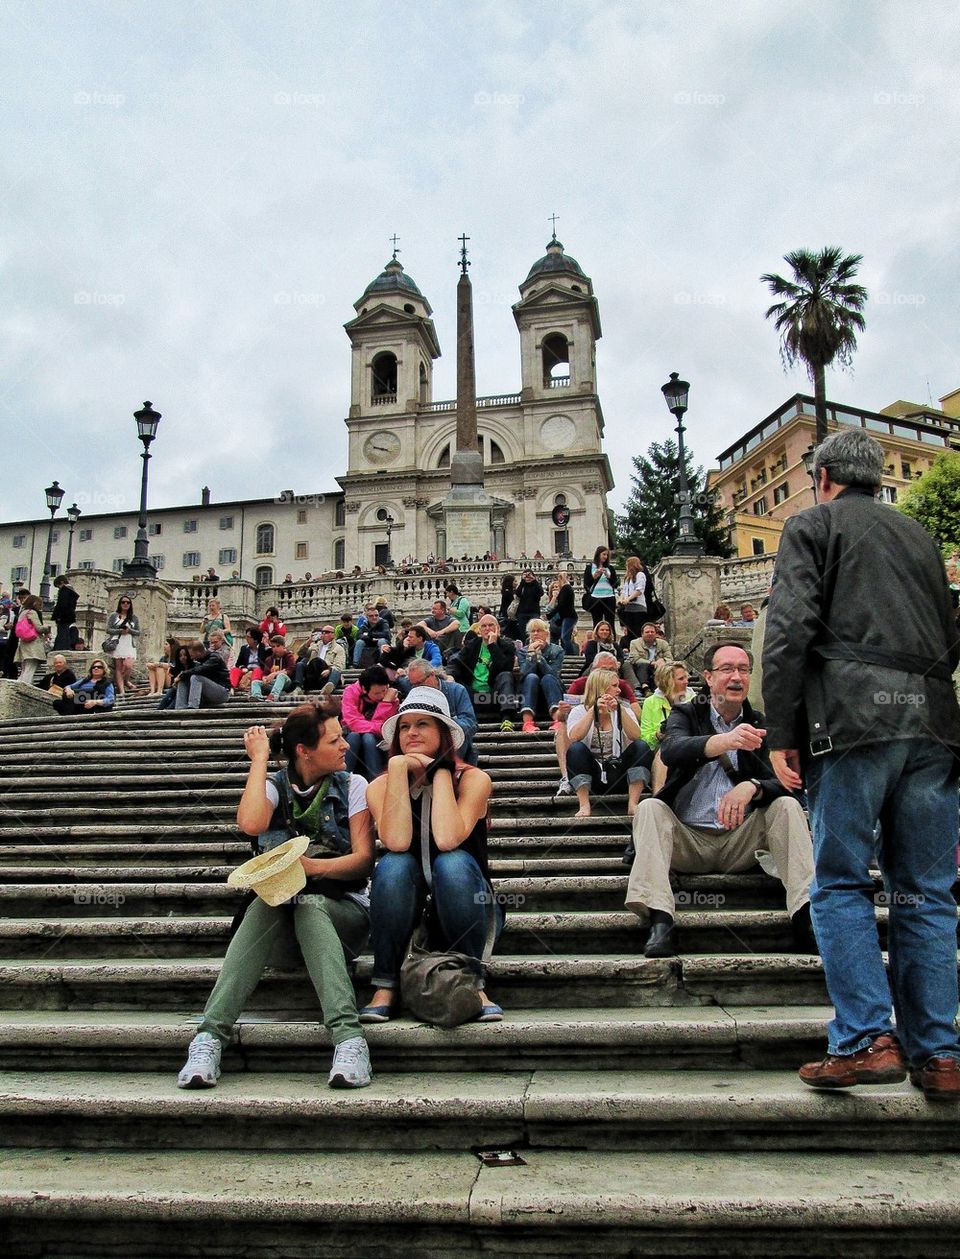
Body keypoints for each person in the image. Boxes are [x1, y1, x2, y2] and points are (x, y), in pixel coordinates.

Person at [762, 428, 960, 1097]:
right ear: (875, 479)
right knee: (927, 891)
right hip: (932, 724)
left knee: (842, 880)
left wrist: (781, 728)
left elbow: (789, 629)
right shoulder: (921, 539)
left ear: (823, 477)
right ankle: (939, 1052)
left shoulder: (812, 527)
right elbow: (950, 632)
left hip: (850, 721)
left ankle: (865, 1036)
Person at [177, 703, 375, 1090]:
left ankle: (349, 1038)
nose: (345, 747)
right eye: (335, 740)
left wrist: (309, 869)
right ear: (304, 750)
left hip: (345, 919)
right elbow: (250, 823)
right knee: (267, 904)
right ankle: (208, 1039)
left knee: (309, 904)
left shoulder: (354, 786)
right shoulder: (273, 787)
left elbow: (363, 862)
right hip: (282, 928)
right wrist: (260, 759)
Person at [624, 641, 815, 960]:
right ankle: (660, 919)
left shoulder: (761, 724)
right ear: (709, 677)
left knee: (787, 806)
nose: (736, 677)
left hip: (741, 843)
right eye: (727, 669)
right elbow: (671, 750)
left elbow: (790, 784)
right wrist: (722, 742)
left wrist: (753, 786)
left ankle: (806, 916)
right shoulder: (686, 713)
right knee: (649, 808)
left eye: (743, 669)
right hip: (688, 841)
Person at [358, 687, 502, 1023]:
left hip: (467, 904)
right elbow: (394, 840)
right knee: (394, 864)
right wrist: (396, 770)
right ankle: (386, 983)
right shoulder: (379, 786)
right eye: (405, 727)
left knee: (451, 862)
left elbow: (449, 838)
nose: (411, 733)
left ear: (443, 733)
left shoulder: (474, 780)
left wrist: (439, 772)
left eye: (423, 724)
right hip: (407, 909)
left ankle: (473, 979)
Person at [566, 668, 652, 819]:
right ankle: (584, 804)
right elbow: (574, 737)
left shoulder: (624, 709)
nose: (619, 690)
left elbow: (636, 736)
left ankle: (633, 804)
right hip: (593, 775)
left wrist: (621, 711)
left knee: (641, 746)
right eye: (614, 686)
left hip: (618, 771)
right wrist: (593, 711)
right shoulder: (579, 711)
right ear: (601, 687)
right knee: (576, 749)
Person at [449, 614, 520, 733]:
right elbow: (455, 662)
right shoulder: (472, 645)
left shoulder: (507, 646)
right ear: (479, 630)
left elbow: (505, 668)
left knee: (506, 676)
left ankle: (507, 719)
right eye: (484, 626)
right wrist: (450, 675)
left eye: (491, 625)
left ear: (497, 628)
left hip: (495, 697)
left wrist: (493, 645)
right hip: (474, 696)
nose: (487, 628)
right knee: (454, 684)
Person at [403, 658, 478, 764]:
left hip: (452, 745)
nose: (417, 688)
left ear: (432, 675)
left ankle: (450, 769)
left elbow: (471, 724)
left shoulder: (457, 690)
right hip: (425, 745)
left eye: (420, 683)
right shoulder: (414, 694)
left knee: (462, 728)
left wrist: (445, 723)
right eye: (413, 684)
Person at [341, 664, 400, 780]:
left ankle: (376, 780)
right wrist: (379, 727)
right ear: (364, 689)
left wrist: (386, 703)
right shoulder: (351, 692)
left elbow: (387, 726)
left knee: (368, 737)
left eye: (384, 690)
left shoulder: (390, 697)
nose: (382, 695)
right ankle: (343, 779)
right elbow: (352, 723)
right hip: (352, 737)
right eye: (377, 693)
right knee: (354, 736)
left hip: (377, 742)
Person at [518, 618, 564, 734]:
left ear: (546, 633)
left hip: (551, 692)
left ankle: (558, 719)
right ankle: (527, 722)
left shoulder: (557, 650)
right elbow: (524, 673)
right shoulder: (523, 651)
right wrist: (531, 654)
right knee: (531, 677)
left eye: (539, 630)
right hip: (530, 693)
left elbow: (553, 673)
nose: (536, 634)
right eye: (533, 631)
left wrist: (539, 656)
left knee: (547, 678)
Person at [173, 640, 231, 710]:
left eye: (192, 655)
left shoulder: (214, 658)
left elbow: (200, 669)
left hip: (222, 692)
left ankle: (193, 707)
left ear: (198, 652)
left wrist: (181, 675)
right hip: (207, 693)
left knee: (195, 677)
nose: (191, 658)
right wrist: (181, 677)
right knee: (183, 680)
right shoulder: (199, 661)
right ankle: (180, 708)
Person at [622, 622, 674, 694]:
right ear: (642, 634)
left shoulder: (663, 643)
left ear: (655, 633)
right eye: (647, 632)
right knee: (639, 664)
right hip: (640, 668)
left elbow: (670, 658)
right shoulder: (635, 643)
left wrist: (663, 660)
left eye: (652, 632)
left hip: (658, 669)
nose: (650, 633)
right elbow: (634, 659)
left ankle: (660, 689)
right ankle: (641, 688)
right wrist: (651, 663)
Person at [294, 625, 346, 693]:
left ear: (333, 635)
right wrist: (308, 642)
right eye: (322, 632)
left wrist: (329, 670)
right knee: (300, 664)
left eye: (327, 632)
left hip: (327, 673)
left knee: (334, 669)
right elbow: (300, 653)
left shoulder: (339, 648)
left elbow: (339, 665)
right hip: (313, 673)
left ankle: (329, 687)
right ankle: (298, 688)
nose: (324, 634)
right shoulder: (315, 646)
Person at [105, 595, 140, 698]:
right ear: (120, 604)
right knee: (119, 667)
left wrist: (129, 630)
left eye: (128, 602)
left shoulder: (134, 617)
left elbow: (138, 631)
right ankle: (121, 690)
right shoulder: (114, 615)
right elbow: (108, 629)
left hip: (129, 643)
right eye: (123, 602)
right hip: (118, 642)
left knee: (129, 665)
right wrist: (120, 630)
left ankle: (125, 681)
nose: (125, 604)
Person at [13, 594, 50, 685]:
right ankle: (24, 688)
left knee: (24, 669)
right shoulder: (32, 612)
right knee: (30, 669)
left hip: (24, 643)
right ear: (34, 602)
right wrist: (47, 627)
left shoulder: (22, 612)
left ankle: (19, 686)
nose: (40, 605)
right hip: (33, 644)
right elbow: (39, 628)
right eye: (39, 603)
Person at [582, 545, 618, 629]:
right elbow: (586, 585)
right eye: (604, 554)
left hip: (609, 597)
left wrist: (609, 576)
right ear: (598, 554)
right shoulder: (589, 568)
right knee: (597, 623)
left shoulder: (610, 568)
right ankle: (597, 641)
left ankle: (611, 641)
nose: (605, 557)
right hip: (595, 598)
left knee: (610, 624)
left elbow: (615, 584)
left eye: (607, 555)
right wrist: (594, 576)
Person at [251, 635, 296, 701]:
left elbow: (290, 670)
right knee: (255, 682)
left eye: (278, 646)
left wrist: (275, 674)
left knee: (281, 675)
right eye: (273, 646)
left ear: (283, 646)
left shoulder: (289, 656)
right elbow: (265, 674)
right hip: (272, 683)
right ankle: (256, 696)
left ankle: (273, 696)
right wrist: (265, 679)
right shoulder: (269, 659)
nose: (275, 649)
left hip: (286, 683)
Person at [617, 556, 648, 641]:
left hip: (638, 607)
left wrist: (628, 599)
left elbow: (639, 590)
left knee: (638, 632)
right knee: (630, 633)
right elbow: (624, 591)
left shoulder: (640, 575)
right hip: (628, 609)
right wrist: (621, 599)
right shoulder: (628, 578)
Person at [230, 627, 268, 692]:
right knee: (235, 670)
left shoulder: (264, 648)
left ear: (255, 640)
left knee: (257, 670)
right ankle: (231, 688)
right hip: (246, 670)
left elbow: (267, 664)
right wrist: (242, 667)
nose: (246, 638)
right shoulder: (244, 648)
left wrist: (266, 646)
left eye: (248, 637)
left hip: (259, 671)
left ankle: (253, 689)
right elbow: (238, 664)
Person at [157, 644, 192, 709]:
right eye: (180, 656)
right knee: (167, 697)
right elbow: (173, 683)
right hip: (176, 689)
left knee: (174, 703)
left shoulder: (194, 666)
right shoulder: (177, 668)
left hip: (188, 690)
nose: (183, 657)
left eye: (185, 655)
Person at [514, 569, 544, 642]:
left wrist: (534, 580)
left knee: (534, 631)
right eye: (525, 575)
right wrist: (522, 581)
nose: (527, 577)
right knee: (523, 633)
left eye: (529, 575)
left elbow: (541, 593)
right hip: (522, 612)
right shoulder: (522, 585)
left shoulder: (536, 585)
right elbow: (517, 593)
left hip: (534, 612)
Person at [51, 575, 79, 651]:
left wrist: (58, 616)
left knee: (62, 633)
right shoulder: (71, 591)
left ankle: (60, 648)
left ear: (62, 582)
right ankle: (64, 647)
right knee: (65, 633)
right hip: (69, 616)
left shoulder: (65, 590)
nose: (59, 588)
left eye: (58, 586)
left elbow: (62, 605)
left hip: (63, 617)